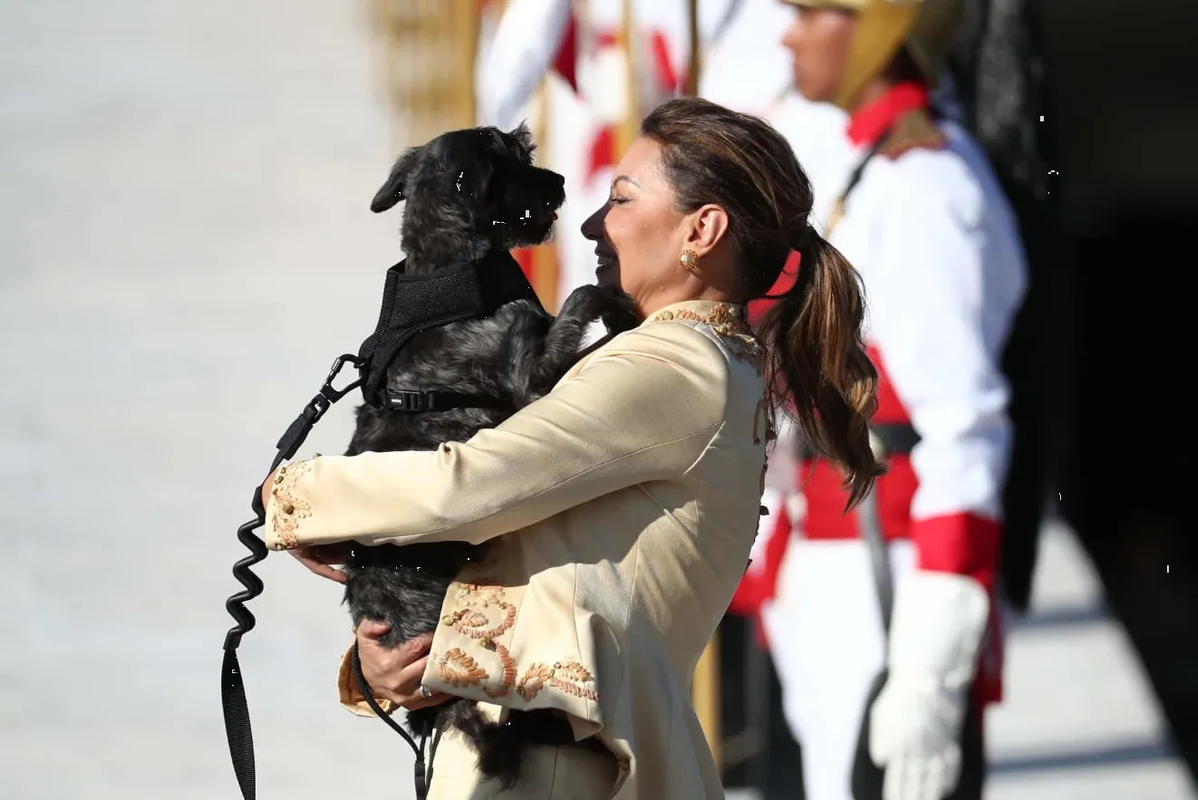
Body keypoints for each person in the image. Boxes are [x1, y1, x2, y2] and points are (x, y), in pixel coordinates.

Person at [260, 96, 884, 799]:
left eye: (621, 199)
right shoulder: (687, 361)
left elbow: (467, 486)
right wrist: (393, 661)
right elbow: (535, 570)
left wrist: (292, 498)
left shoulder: (674, 365)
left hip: (550, 768)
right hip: (526, 753)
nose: (591, 224)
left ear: (702, 229)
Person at [744, 2, 1029, 800]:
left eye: (814, 12)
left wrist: (931, 655)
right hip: (835, 546)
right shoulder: (873, 165)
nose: (788, 32)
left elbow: (965, 428)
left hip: (886, 567)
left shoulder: (923, 186)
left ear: (878, 24)